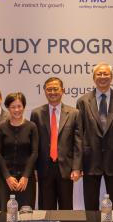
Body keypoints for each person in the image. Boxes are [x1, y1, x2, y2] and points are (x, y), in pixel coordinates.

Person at [75, 62, 113, 209]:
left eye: (106, 74)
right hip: (90, 161)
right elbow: (79, 135)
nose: (102, 76)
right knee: (90, 206)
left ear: (111, 77)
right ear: (94, 77)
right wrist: (78, 164)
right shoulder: (82, 102)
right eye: (99, 74)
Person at [30, 77, 82, 210]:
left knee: (66, 207)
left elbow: (78, 142)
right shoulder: (36, 114)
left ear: (62, 90)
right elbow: (34, 143)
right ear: (44, 91)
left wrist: (77, 167)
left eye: (55, 89)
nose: (52, 92)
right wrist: (34, 168)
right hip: (44, 168)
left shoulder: (74, 113)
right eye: (49, 89)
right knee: (46, 208)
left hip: (66, 168)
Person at [0, 92, 38, 208]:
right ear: (8, 108)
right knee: (7, 214)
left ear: (24, 107)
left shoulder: (32, 127)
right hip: (7, 179)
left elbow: (34, 153)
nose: (16, 110)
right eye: (13, 107)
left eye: (19, 106)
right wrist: (7, 176)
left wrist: (25, 176)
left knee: (26, 213)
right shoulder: (1, 128)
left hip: (26, 180)